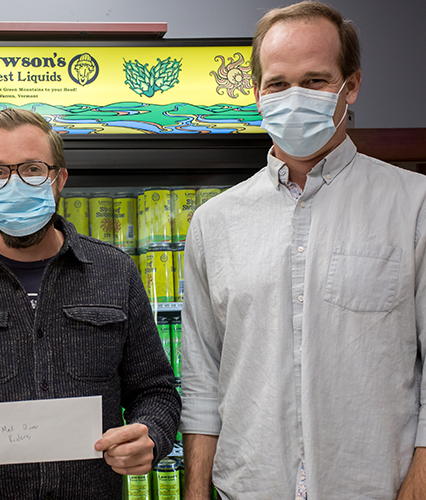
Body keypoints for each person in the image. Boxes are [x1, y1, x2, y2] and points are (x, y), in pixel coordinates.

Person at [180, 2, 426, 499]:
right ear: (257, 93)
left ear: (350, 86)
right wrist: (196, 491)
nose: (294, 97)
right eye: (277, 83)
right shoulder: (214, 222)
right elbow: (202, 380)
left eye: (315, 81)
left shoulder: (414, 205)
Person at [0, 108, 181, 498]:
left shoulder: (116, 272)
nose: (15, 183)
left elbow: (156, 391)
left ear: (59, 179)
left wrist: (152, 435)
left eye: (31, 169)